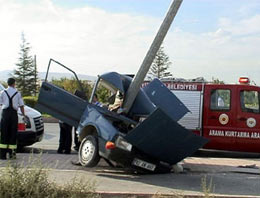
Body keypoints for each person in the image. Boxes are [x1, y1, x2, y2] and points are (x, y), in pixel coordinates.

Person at [0, 78, 25, 160]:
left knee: (4, 134)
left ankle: (2, 155)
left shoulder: (3, 92)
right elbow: (21, 105)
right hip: (13, 114)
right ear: (14, 83)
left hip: (5, 114)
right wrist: (23, 115)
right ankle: (12, 155)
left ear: (7, 83)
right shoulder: (17, 93)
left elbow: (0, 104)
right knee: (13, 134)